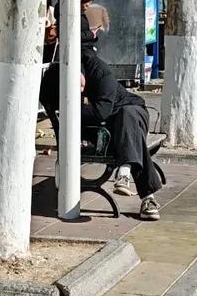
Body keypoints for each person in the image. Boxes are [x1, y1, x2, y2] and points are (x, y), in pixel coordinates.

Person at [40, 43, 166, 221]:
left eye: (80, 85)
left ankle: (125, 173)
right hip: (107, 131)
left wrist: (69, 108)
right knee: (130, 140)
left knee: (127, 119)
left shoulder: (100, 71)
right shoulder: (53, 80)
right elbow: (51, 107)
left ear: (82, 73)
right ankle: (142, 191)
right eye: (72, 89)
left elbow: (101, 112)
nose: (80, 90)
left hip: (133, 113)